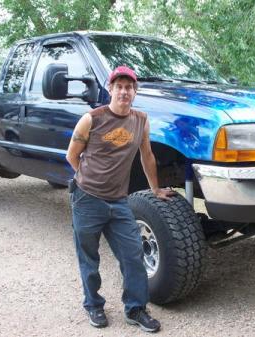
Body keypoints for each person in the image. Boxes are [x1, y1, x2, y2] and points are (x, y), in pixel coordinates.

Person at [66, 65, 175, 333]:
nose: (124, 91)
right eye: (119, 87)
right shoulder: (92, 119)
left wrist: (155, 189)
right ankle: (93, 304)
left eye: (129, 87)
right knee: (89, 258)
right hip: (87, 200)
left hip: (118, 202)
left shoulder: (140, 120)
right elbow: (72, 155)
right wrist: (88, 182)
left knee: (133, 255)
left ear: (134, 92)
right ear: (110, 89)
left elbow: (146, 156)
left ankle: (135, 308)